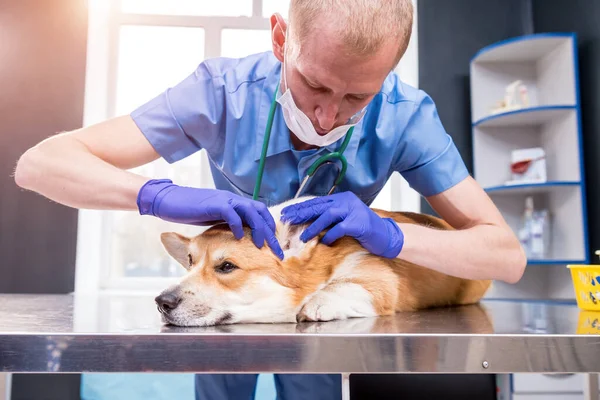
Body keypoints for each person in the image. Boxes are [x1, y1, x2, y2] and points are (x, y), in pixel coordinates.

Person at [14, 0, 526, 399]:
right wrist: (160, 196)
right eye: (314, 84)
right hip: (233, 313)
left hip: (318, 302)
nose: (327, 119)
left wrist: (390, 233)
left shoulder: (405, 116)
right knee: (221, 380)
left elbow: (505, 255)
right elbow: (40, 165)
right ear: (282, 39)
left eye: (356, 98)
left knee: (313, 381)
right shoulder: (221, 92)